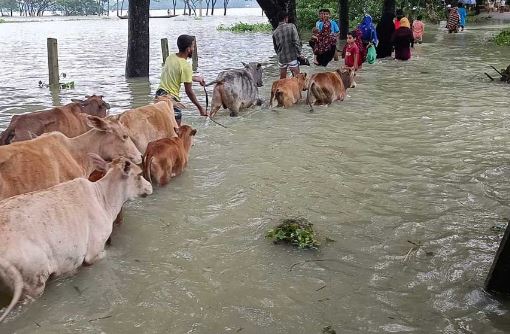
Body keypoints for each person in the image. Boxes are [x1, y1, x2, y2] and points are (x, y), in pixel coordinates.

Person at [156, 34, 207, 125]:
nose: (194, 49)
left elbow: (178, 73)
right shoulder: (186, 66)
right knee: (177, 130)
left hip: (159, 95)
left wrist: (196, 78)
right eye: (193, 46)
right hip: (170, 99)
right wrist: (200, 108)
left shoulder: (170, 57)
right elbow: (189, 91)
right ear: (188, 49)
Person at [272, 11, 302, 79]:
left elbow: (275, 48)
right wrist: (299, 53)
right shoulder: (291, 26)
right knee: (297, 78)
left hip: (281, 58)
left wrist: (279, 54)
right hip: (292, 57)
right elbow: (296, 41)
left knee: (282, 78)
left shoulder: (275, 32)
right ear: (286, 18)